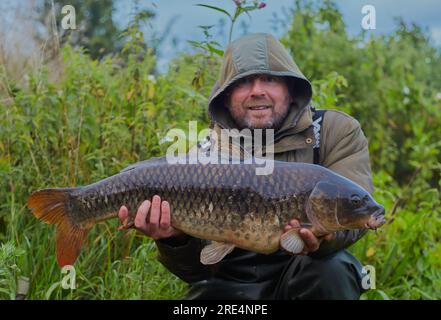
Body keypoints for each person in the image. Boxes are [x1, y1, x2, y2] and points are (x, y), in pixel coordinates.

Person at [118, 33, 374, 299]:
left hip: (305, 273)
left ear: (290, 87)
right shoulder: (205, 156)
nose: (257, 90)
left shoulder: (335, 132)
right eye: (243, 83)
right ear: (226, 96)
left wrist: (324, 238)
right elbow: (195, 272)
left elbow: (357, 213)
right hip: (228, 283)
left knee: (333, 269)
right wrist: (173, 240)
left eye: (270, 79)